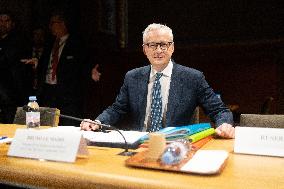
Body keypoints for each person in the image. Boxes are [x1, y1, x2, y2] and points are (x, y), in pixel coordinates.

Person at [80, 23, 235, 138]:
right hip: (139, 144)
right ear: (144, 49)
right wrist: (98, 122)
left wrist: (224, 125)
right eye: (153, 45)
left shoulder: (192, 78)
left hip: (176, 145)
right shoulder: (132, 77)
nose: (159, 50)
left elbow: (219, 110)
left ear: (172, 47)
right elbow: (117, 109)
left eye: (164, 45)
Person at [35, 11, 88, 126]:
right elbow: (44, 64)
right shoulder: (50, 43)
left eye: (53, 23)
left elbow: (81, 67)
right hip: (48, 89)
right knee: (48, 124)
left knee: (67, 124)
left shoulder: (76, 43)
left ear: (62, 24)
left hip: (67, 93)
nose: (50, 27)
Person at [0, 10, 31, 123]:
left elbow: (8, 60)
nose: (3, 24)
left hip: (12, 92)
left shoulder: (19, 40)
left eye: (6, 21)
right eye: (0, 21)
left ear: (12, 23)